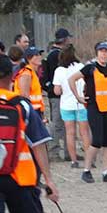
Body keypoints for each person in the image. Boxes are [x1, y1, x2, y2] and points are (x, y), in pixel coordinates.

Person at [0, 55, 59, 213]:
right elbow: (38, 144)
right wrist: (49, 179)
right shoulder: (22, 105)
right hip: (21, 177)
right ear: (11, 76)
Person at [67, 42, 107, 183]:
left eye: (106, 51)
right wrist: (78, 97)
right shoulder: (90, 68)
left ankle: (106, 172)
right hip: (94, 107)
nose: (104, 54)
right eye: (101, 51)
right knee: (96, 141)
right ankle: (86, 170)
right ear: (97, 53)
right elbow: (71, 79)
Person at [51, 45, 89, 169]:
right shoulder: (81, 67)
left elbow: (57, 91)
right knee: (84, 133)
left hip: (66, 104)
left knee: (70, 133)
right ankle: (89, 159)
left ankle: (73, 161)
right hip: (81, 102)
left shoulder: (59, 70)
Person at [42, 28, 72, 162]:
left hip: (57, 93)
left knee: (65, 123)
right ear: (64, 39)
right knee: (58, 123)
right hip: (57, 95)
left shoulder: (52, 54)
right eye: (68, 38)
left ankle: (68, 151)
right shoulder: (56, 55)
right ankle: (54, 151)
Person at [13, 47, 46, 118]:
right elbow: (24, 96)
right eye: (36, 55)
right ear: (28, 58)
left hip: (35, 110)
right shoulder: (26, 73)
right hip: (30, 111)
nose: (39, 57)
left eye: (39, 54)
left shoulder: (32, 72)